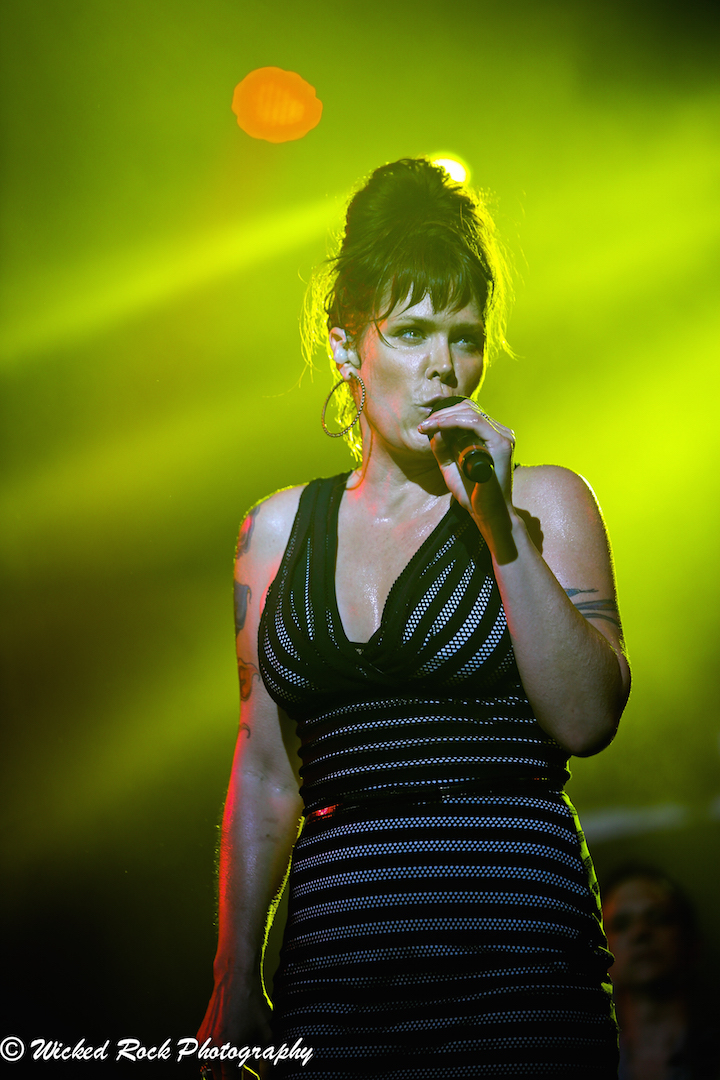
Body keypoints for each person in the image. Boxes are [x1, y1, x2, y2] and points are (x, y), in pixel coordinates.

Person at [198, 157, 632, 1079]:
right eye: (411, 333)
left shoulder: (546, 504)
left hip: (518, 974)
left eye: (465, 338)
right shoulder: (275, 531)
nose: (444, 366)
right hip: (337, 978)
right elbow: (267, 771)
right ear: (347, 347)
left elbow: (588, 720)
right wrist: (235, 975)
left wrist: (498, 528)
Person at [603, 865, 719, 1080]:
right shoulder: (579, 1056)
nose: (640, 932)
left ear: (692, 942)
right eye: (621, 924)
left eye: (658, 918)